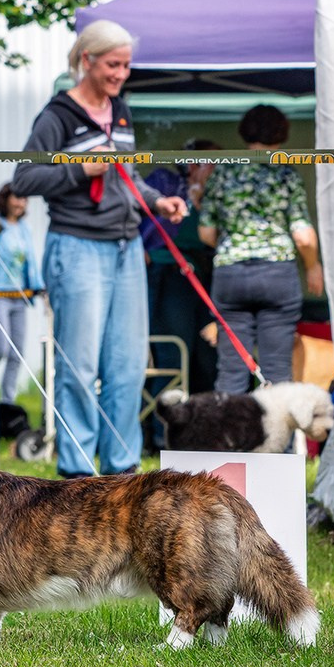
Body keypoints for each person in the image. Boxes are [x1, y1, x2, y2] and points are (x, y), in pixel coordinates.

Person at [12, 19, 186, 478]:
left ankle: (122, 471)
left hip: (127, 250)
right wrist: (79, 170)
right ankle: (77, 472)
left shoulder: (122, 110)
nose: (121, 74)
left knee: (128, 368)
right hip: (78, 249)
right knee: (80, 369)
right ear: (86, 60)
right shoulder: (58, 117)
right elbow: (24, 179)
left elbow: (128, 178)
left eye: (126, 65)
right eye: (113, 64)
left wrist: (156, 201)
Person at [198, 104, 324, 393]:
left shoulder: (223, 173)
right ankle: (281, 440)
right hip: (277, 275)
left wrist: (234, 247)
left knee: (231, 371)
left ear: (245, 131)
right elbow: (303, 236)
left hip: (230, 275)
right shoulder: (285, 174)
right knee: (278, 370)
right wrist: (313, 266)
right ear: (282, 132)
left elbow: (206, 233)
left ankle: (229, 438)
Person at [139, 140, 220, 449]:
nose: (214, 170)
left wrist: (202, 199)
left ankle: (198, 433)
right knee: (172, 355)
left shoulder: (215, 194)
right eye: (208, 163)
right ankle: (160, 436)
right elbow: (142, 219)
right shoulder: (163, 182)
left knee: (204, 357)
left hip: (203, 279)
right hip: (166, 278)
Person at [0, 183, 44, 405]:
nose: (20, 203)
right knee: (0, 348)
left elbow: (30, 261)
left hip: (19, 297)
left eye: (24, 199)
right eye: (17, 198)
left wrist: (38, 286)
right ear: (5, 199)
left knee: (17, 353)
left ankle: (7, 402)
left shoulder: (24, 229)